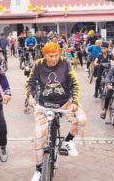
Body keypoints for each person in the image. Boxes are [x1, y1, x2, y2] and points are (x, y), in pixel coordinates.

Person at [25, 42, 87, 181]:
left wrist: (75, 102)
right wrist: (29, 96)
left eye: (56, 55)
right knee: (40, 136)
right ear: (44, 54)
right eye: (50, 56)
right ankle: (39, 168)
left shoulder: (65, 63)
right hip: (44, 105)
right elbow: (30, 82)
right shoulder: (38, 64)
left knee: (81, 119)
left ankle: (68, 141)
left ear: (60, 54)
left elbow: (75, 84)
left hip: (65, 102)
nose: (53, 59)